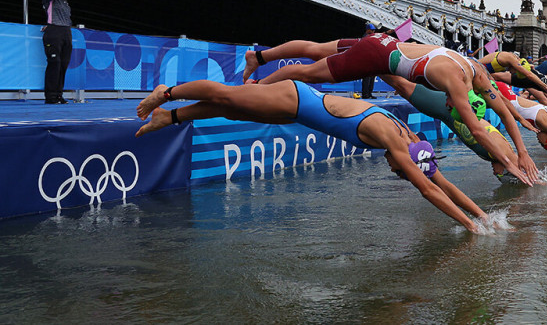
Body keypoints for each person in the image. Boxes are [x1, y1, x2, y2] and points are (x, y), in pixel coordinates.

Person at [136, 80, 497, 234]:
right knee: (228, 97)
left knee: (234, 112)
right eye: (398, 172)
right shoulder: (400, 147)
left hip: (298, 110)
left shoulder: (411, 139)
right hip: (298, 99)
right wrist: (470, 227)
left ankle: (172, 117)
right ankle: (166, 94)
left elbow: (442, 181)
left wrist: (485, 216)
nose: (394, 170)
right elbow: (430, 191)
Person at [243, 35, 540, 184]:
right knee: (307, 73)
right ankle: (256, 88)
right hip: (375, 56)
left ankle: (258, 55)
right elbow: (476, 128)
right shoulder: (456, 82)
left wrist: (523, 151)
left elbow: (503, 111)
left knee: (315, 49)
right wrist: (511, 162)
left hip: (383, 42)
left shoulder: (473, 68)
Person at [380, 74, 535, 185]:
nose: (495, 174)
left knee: (403, 85)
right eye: (500, 174)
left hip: (446, 109)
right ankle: (373, 62)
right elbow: (485, 127)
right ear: (510, 170)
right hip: (444, 107)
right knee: (400, 85)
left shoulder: (502, 157)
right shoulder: (502, 154)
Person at [40, 0, 86, 104]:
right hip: (54, 33)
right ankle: (50, 96)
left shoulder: (64, 0)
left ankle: (59, 94)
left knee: (63, 65)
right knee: (54, 63)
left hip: (66, 32)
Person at [361, 20, 380, 99]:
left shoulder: (371, 37)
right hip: (366, 61)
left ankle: (369, 93)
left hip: (372, 60)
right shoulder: (365, 37)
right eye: (372, 30)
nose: (373, 32)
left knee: (371, 78)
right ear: (368, 30)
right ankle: (365, 94)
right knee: (367, 79)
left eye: (374, 30)